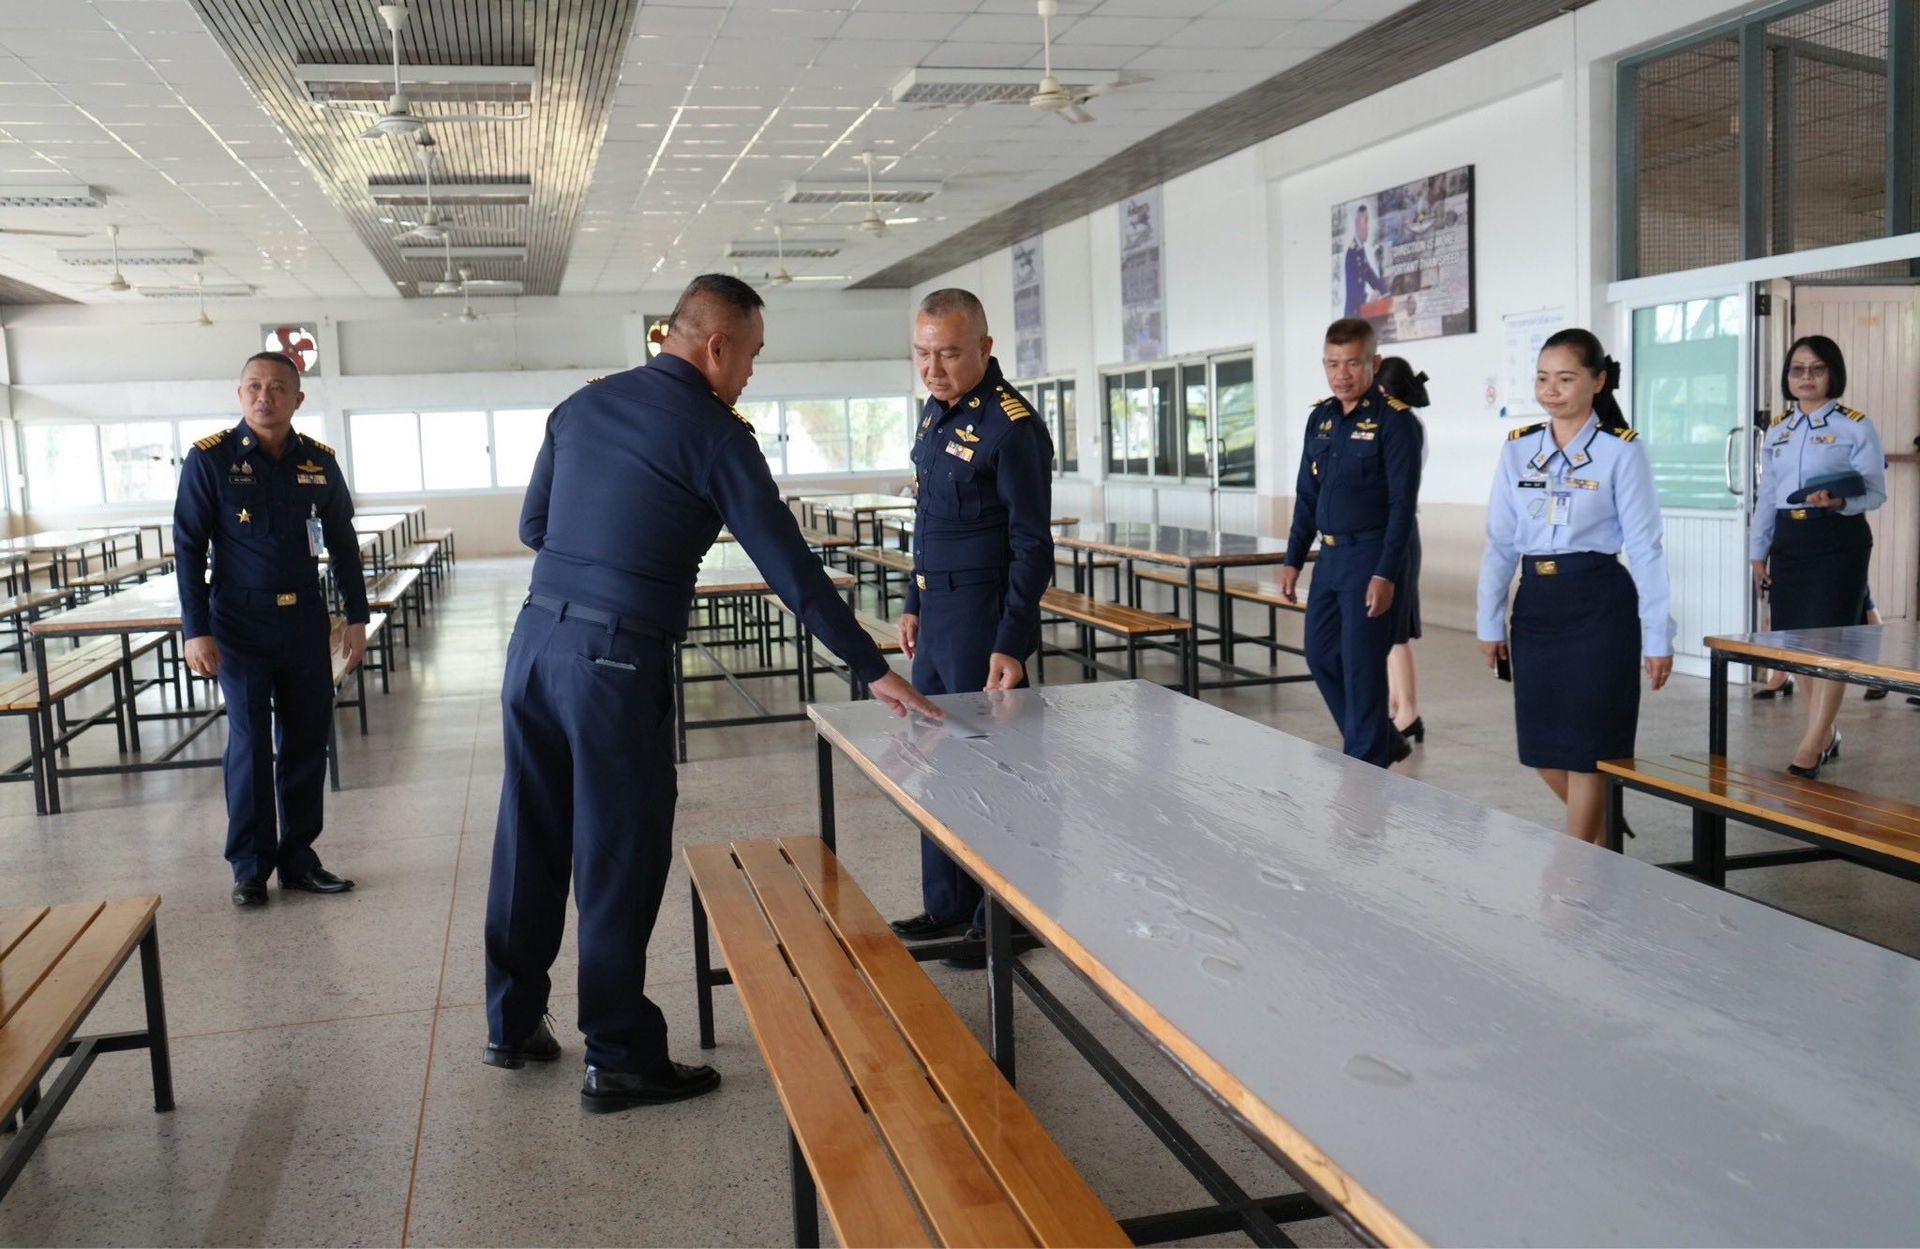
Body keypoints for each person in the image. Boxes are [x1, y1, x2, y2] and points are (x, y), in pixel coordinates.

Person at [483, 275, 941, 1112]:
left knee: (530, 831)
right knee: (618, 853)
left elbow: (533, 527)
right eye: (752, 356)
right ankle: (619, 1053)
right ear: (716, 345)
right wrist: (872, 668)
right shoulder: (716, 434)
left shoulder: (581, 406)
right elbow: (791, 567)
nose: (750, 374)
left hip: (534, 644)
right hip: (615, 661)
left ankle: (511, 1023)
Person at [887, 289, 1054, 965]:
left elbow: (1032, 546)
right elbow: (926, 519)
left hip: (983, 622)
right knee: (937, 760)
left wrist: (1011, 640)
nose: (934, 368)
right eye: (923, 353)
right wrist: (912, 598)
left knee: (992, 770)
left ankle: (1002, 917)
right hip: (937, 619)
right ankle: (949, 905)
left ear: (985, 348)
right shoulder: (935, 415)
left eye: (950, 353)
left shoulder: (1012, 429)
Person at [174, 352, 367, 909]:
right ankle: (251, 867)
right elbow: (188, 548)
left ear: (297, 399)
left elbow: (343, 542)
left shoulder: (319, 462)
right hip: (239, 624)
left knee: (307, 740)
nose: (265, 397)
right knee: (251, 744)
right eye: (254, 386)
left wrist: (356, 617)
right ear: (240, 395)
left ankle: (299, 859)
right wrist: (196, 629)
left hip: (305, 620)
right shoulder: (210, 459)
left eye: (278, 387)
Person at [1477, 329, 1674, 844]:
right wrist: (1488, 621)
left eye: (1565, 379)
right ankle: (1603, 836)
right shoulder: (1519, 449)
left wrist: (1658, 634)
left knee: (1590, 751)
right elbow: (1500, 542)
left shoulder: (1621, 451)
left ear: (1598, 381)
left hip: (1599, 606)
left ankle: (1575, 872)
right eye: (1543, 378)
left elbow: (1646, 548)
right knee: (1542, 751)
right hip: (1536, 607)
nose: (1551, 390)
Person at [1279, 318, 1421, 768]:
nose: (1342, 374)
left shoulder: (1396, 422)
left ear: (1374, 363)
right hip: (1330, 557)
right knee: (1321, 655)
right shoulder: (1320, 419)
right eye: (1332, 364)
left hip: (1370, 556)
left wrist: (1386, 573)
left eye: (1353, 363)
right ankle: (1381, 740)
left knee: (1362, 668)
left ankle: (1365, 767)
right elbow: (1307, 495)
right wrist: (1293, 558)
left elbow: (1402, 506)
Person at [1749, 334, 1887, 776]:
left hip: (1837, 539)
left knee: (1829, 644)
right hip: (1790, 540)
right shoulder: (1778, 430)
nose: (1805, 377)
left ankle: (1812, 742)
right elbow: (1767, 495)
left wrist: (1841, 502)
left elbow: (1875, 493)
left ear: (1833, 374)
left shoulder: (1855, 425)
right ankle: (1824, 732)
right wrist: (1758, 552)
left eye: (1817, 368)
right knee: (1798, 644)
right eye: (1797, 369)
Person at [1374, 356, 1429, 744]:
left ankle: (1408, 711)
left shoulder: (1405, 425)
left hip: (1399, 531)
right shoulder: (1401, 422)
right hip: (1391, 530)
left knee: (1396, 632)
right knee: (1387, 630)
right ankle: (1396, 707)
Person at [1343, 204, 1388, 318]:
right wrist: (1368, 298)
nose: (1368, 227)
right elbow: (1353, 290)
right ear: (1357, 224)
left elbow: (1369, 274)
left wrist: (1385, 291)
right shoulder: (1352, 253)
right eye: (1366, 221)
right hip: (1352, 316)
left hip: (1359, 313)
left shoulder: (1360, 250)